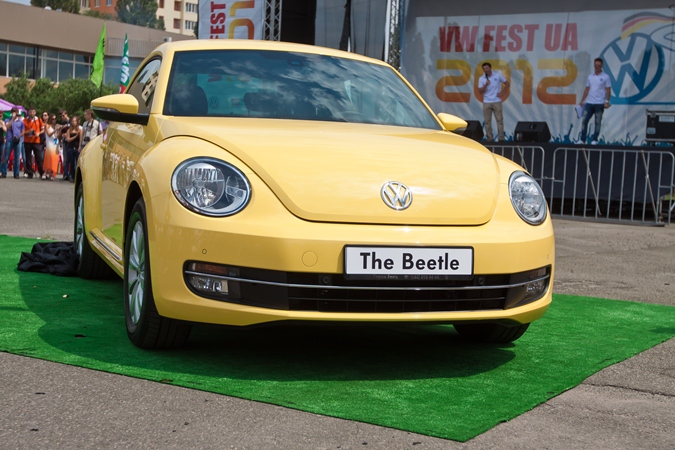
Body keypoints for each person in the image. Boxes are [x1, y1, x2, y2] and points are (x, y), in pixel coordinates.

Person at [577, 58, 612, 145]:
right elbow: (587, 89)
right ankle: (582, 139)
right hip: (589, 103)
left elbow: (608, 89)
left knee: (597, 122)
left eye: (599, 65)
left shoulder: (606, 77)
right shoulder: (590, 76)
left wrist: (607, 101)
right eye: (595, 65)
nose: (597, 67)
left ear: (602, 66)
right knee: (584, 120)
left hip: (599, 103)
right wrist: (582, 100)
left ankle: (594, 139)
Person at [477, 62, 510, 142]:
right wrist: (486, 85)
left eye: (487, 68)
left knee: (499, 120)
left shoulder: (497, 75)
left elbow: (507, 84)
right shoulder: (482, 78)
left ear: (490, 68)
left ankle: (501, 138)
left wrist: (502, 93)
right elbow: (480, 91)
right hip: (486, 101)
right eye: (484, 69)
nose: (486, 70)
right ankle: (489, 137)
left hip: (496, 101)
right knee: (487, 121)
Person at [1, 108, 24, 179]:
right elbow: (7, 127)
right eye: (13, 112)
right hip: (9, 140)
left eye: (15, 112)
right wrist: (12, 119)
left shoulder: (21, 122)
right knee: (6, 157)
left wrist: (19, 136)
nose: (14, 113)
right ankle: (4, 172)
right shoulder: (7, 120)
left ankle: (16, 173)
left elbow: (23, 131)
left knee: (17, 158)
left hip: (18, 140)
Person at [23, 107, 44, 179]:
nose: (32, 113)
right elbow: (22, 132)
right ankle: (29, 173)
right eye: (30, 112)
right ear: (28, 113)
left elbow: (43, 129)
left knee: (39, 158)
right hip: (27, 141)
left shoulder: (39, 120)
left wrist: (39, 133)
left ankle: (41, 173)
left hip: (36, 141)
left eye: (33, 112)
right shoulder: (25, 120)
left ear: (35, 112)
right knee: (28, 158)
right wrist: (28, 132)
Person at [63, 116, 81, 182]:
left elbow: (80, 140)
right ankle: (71, 175)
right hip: (70, 148)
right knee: (71, 162)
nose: (74, 122)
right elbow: (68, 140)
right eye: (73, 121)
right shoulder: (69, 130)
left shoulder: (79, 130)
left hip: (77, 148)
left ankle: (76, 176)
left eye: (75, 121)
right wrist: (75, 136)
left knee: (77, 163)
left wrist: (79, 147)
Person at [43, 114, 60, 180]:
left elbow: (57, 136)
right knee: (49, 158)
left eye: (55, 119)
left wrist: (60, 130)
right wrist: (55, 130)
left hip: (55, 143)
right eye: (53, 119)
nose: (54, 120)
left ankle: (52, 173)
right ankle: (45, 172)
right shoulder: (47, 125)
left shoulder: (56, 126)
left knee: (54, 159)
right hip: (49, 143)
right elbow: (49, 134)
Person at [57, 110, 71, 180]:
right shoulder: (62, 123)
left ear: (66, 114)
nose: (62, 117)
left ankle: (71, 174)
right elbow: (59, 134)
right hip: (64, 142)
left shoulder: (71, 121)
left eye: (63, 115)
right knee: (65, 159)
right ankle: (65, 174)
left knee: (71, 159)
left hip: (71, 142)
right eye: (61, 116)